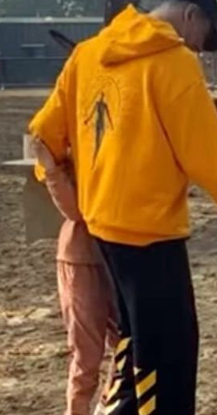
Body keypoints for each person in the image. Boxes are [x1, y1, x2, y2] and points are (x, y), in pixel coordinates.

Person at [28, 0, 217, 415]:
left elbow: (42, 136)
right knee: (169, 359)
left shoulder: (87, 55)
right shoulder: (175, 64)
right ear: (192, 16)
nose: (201, 48)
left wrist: (71, 187)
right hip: (152, 237)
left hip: (103, 230)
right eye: (205, 35)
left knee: (136, 341)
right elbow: (207, 162)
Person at [31, 138, 118, 415]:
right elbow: (73, 209)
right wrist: (51, 169)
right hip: (81, 259)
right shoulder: (71, 149)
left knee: (128, 346)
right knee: (86, 355)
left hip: (120, 256)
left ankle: (106, 407)